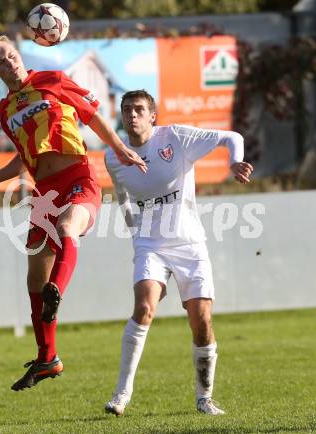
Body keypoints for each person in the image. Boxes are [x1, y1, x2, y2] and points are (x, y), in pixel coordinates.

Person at [0, 36, 146, 392]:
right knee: (33, 277)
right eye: (1, 62)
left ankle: (55, 293)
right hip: (44, 192)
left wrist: (120, 148)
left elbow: (92, 116)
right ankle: (48, 358)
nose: (10, 63)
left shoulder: (52, 80)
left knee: (68, 227)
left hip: (78, 175)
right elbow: (22, 157)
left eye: (12, 55)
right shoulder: (5, 110)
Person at [104, 90, 253, 416]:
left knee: (201, 321)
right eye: (127, 109)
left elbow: (231, 136)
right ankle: (121, 394)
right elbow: (122, 197)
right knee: (143, 307)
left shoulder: (175, 137)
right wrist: (135, 234)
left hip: (189, 244)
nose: (132, 115)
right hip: (150, 245)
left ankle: (204, 398)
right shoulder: (114, 155)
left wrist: (234, 162)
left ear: (152, 116)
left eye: (139, 109)